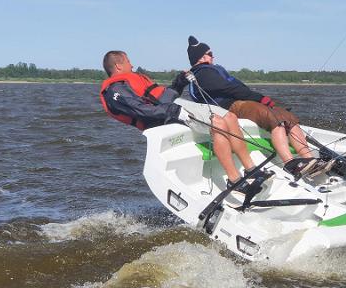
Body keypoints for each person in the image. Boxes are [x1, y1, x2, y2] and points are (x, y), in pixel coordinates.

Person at [99, 50, 260, 189]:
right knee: (218, 123)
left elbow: (163, 97)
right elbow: (141, 110)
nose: (132, 65)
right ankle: (235, 180)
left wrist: (180, 81)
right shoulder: (115, 90)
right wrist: (174, 111)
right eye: (128, 61)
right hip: (164, 118)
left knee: (229, 117)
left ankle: (251, 170)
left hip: (173, 107)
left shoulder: (131, 80)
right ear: (118, 66)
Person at [179, 36, 326, 178]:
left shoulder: (211, 70)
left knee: (288, 117)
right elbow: (229, 89)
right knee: (273, 118)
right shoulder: (203, 73)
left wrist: (260, 99)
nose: (213, 57)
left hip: (242, 103)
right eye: (210, 54)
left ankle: (309, 160)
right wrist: (260, 98)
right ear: (201, 58)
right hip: (231, 106)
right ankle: (290, 164)